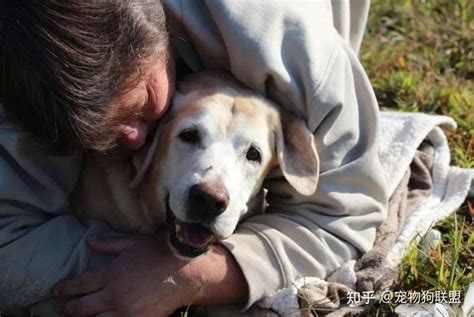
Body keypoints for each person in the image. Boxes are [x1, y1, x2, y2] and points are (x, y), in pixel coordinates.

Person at [0, 0, 387, 316]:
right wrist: (124, 273)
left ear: (160, 36)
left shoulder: (298, 51)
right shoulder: (25, 81)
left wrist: (197, 276)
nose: (136, 141)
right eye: (104, 129)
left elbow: (344, 214)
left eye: (145, 102)